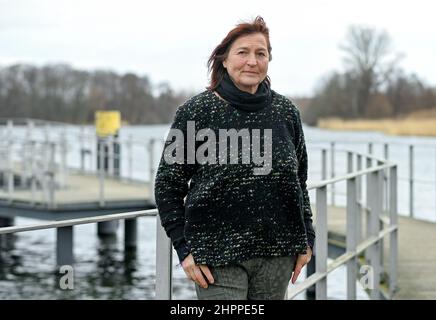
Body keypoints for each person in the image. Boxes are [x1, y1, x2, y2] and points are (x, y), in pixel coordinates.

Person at [154, 16, 315, 300]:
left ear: (268, 60)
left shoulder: (286, 113)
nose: (252, 61)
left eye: (260, 53)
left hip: (278, 254)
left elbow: (299, 182)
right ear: (224, 61)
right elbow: (168, 184)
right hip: (217, 257)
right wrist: (184, 249)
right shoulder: (196, 112)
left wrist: (307, 240)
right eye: (243, 53)